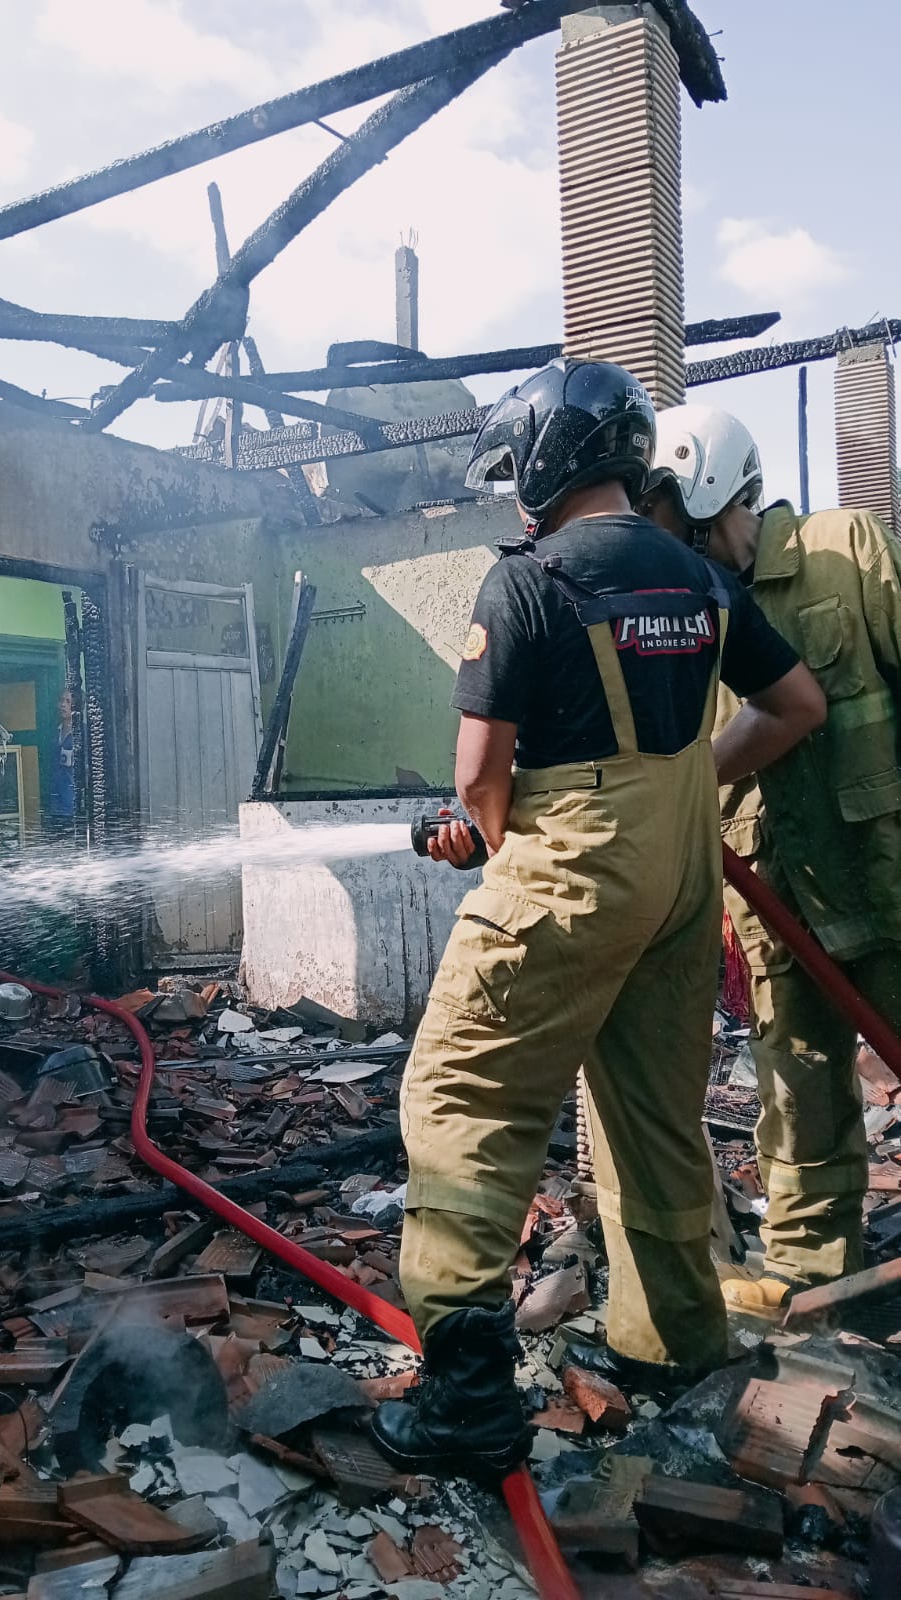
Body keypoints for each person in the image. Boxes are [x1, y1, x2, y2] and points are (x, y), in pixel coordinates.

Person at [368, 358, 825, 1481]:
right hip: (679, 878)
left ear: (545, 460)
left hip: (568, 877)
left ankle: (469, 1397)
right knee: (652, 1114)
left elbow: (482, 781)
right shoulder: (699, 575)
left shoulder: (522, 582)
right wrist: (687, 789)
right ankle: (677, 1351)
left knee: (461, 1092)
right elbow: (795, 704)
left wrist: (483, 832)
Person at [643, 403, 901, 1314]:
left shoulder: (848, 551)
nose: (682, 555)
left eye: (687, 534)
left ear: (715, 495)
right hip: (778, 904)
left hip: (885, 881)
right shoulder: (684, 614)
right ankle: (813, 1280)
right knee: (797, 1097)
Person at [44, 687, 77, 835]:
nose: (62, 705)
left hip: (72, 805)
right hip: (54, 803)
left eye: (68, 701)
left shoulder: (81, 735)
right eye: (61, 700)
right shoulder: (54, 732)